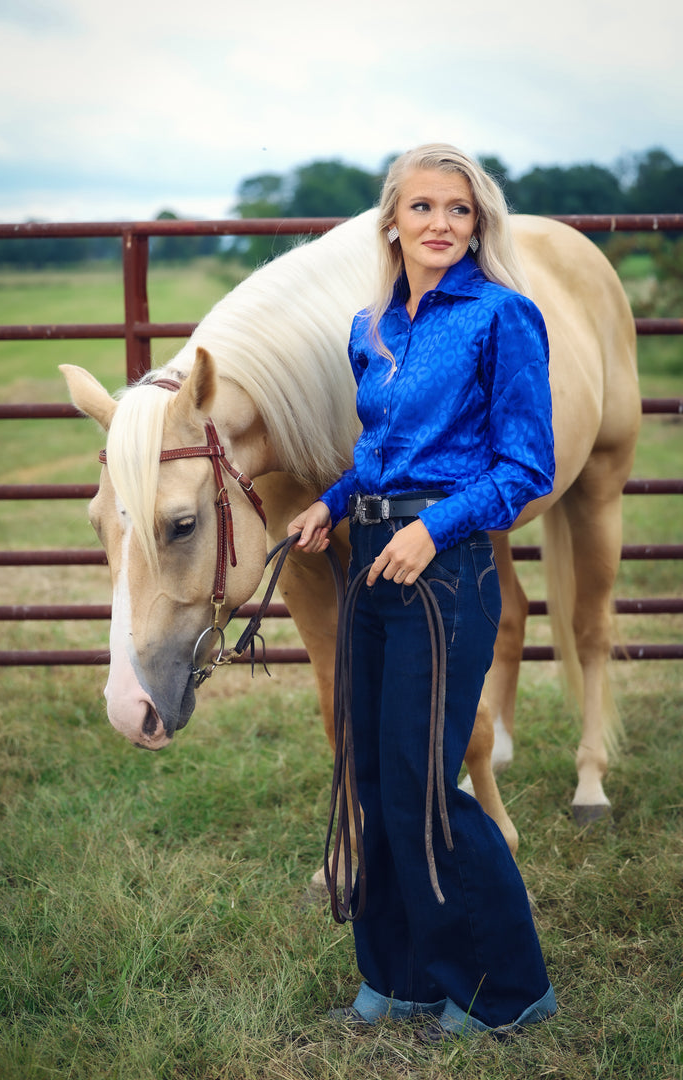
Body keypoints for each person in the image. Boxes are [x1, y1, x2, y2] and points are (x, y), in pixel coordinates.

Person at [287, 143, 557, 1042]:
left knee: (422, 782)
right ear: (391, 220)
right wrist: (329, 506)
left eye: (460, 210)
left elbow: (525, 467)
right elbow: (376, 456)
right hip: (367, 556)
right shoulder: (372, 327)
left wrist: (432, 527)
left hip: (445, 571)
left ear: (478, 224)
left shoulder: (502, 316)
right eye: (424, 207)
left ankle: (507, 986)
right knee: (371, 775)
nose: (440, 224)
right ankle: (398, 974)